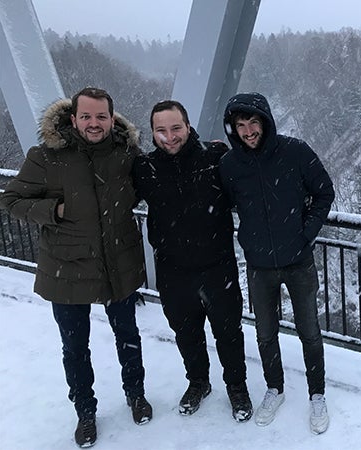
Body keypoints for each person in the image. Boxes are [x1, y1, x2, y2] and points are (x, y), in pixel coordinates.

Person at [0, 87, 152, 448]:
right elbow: (10, 199)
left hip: (119, 261)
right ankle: (85, 411)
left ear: (112, 119)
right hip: (66, 265)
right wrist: (54, 211)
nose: (94, 123)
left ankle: (136, 394)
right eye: (86, 116)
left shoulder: (126, 153)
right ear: (73, 118)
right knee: (75, 346)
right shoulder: (46, 157)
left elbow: (153, 184)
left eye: (101, 117)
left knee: (128, 335)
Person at [220, 92, 335, 434]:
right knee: (266, 334)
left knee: (310, 332)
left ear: (266, 122)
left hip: (298, 261)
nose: (248, 131)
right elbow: (225, 203)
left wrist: (306, 233)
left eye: (253, 122)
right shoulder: (230, 165)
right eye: (240, 125)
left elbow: (324, 191)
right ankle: (275, 388)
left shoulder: (295, 151)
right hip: (258, 265)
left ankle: (317, 394)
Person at [132, 100, 253, 422]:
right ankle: (198, 383)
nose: (169, 137)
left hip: (218, 266)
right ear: (153, 132)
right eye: (161, 130)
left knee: (228, 333)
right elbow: (113, 198)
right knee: (186, 334)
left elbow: (251, 184)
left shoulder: (215, 158)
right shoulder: (145, 168)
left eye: (175, 128)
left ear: (188, 126)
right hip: (172, 270)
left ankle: (237, 386)